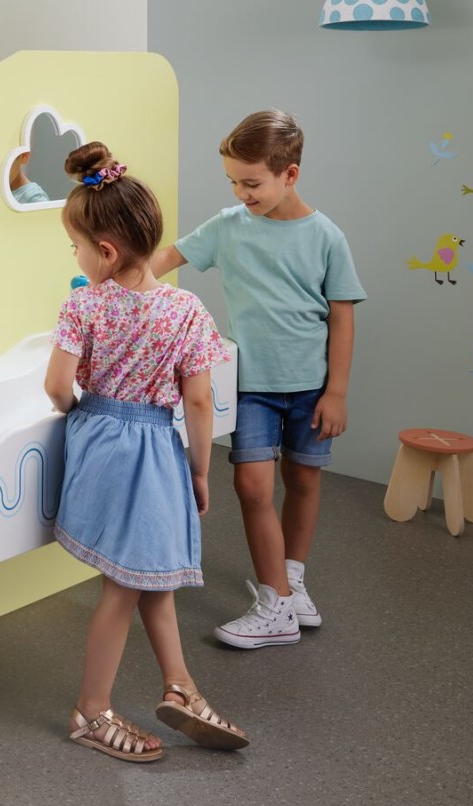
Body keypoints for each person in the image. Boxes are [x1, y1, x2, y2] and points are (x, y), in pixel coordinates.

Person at [45, 142, 247, 763]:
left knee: (146, 575)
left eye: (76, 247)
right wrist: (200, 471)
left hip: (103, 443)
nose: (76, 258)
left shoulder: (83, 303)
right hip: (158, 448)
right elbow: (200, 402)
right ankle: (92, 710)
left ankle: (176, 685)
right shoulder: (186, 310)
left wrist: (82, 415)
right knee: (129, 581)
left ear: (105, 252)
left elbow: (56, 387)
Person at [150, 110, 366, 650]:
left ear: (289, 175)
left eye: (251, 183)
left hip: (312, 387)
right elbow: (166, 259)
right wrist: (115, 283)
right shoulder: (227, 226)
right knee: (251, 486)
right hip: (250, 387)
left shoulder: (326, 237)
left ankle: (291, 583)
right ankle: (275, 604)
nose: (240, 193)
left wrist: (337, 392)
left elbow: (342, 317)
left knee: (304, 481)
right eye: (233, 181)